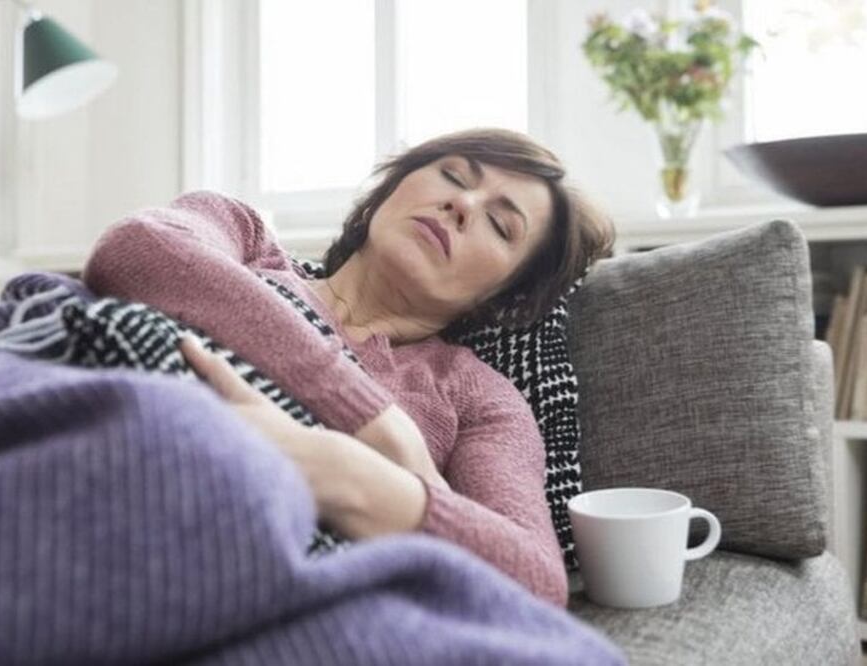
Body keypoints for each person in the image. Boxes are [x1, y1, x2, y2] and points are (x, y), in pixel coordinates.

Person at [82, 128, 615, 607]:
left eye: (500, 225)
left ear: (504, 295)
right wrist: (374, 421)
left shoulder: (478, 398)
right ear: (392, 188)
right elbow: (135, 250)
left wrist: (343, 473)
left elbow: (535, 580)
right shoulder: (246, 240)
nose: (462, 203)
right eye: (453, 175)